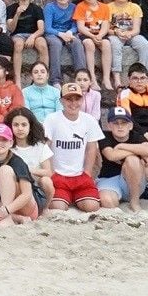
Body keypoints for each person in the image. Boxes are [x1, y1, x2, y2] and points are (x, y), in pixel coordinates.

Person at [42, 83, 103, 212]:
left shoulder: (89, 120)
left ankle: (76, 196)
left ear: (82, 99)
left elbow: (92, 148)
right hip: (58, 174)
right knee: (58, 207)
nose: (73, 103)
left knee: (92, 206)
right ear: (61, 101)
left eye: (77, 99)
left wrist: (87, 173)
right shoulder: (52, 119)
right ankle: (66, 196)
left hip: (80, 175)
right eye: (69, 99)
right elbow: (45, 148)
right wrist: (52, 173)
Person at [0, 123, 43, 224]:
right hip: (3, 205)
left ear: (11, 143)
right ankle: (16, 218)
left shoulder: (17, 162)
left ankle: (8, 217)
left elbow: (27, 194)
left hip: (26, 207)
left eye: (4, 139)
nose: (0, 143)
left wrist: (7, 210)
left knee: (4, 170)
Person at [97, 106, 148, 212]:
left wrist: (121, 147)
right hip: (109, 179)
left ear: (130, 125)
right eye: (116, 123)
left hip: (133, 182)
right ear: (109, 125)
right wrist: (136, 151)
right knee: (108, 202)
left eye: (124, 123)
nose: (120, 126)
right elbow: (111, 156)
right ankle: (120, 198)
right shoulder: (105, 136)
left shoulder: (136, 136)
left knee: (132, 160)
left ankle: (134, 202)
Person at [106, 0, 148, 89]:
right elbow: (106, 28)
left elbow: (136, 29)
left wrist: (129, 34)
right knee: (114, 44)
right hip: (114, 34)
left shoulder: (135, 7)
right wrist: (116, 32)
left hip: (131, 34)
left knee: (144, 44)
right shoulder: (107, 7)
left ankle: (145, 77)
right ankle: (117, 79)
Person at [8, 107, 55, 207]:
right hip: (16, 187)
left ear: (30, 126)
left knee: (46, 181)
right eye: (16, 125)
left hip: (37, 189)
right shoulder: (7, 147)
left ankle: (45, 207)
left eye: (24, 125)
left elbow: (48, 172)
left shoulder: (40, 146)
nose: (20, 128)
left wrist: (26, 170)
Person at [43, 0, 85, 86]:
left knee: (77, 43)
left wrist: (70, 32)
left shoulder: (73, 7)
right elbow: (47, 27)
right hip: (54, 34)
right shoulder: (49, 7)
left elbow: (75, 25)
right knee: (56, 44)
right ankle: (55, 80)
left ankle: (81, 76)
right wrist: (60, 34)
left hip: (69, 33)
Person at [74, 0, 113, 91]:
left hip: (100, 33)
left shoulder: (105, 7)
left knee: (106, 44)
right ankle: (92, 78)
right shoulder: (81, 7)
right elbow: (80, 26)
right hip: (86, 34)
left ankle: (106, 78)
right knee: (89, 44)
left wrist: (100, 35)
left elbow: (105, 25)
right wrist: (92, 36)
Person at [117, 62, 148, 134]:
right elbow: (127, 118)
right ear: (129, 79)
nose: (139, 81)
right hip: (133, 131)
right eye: (135, 78)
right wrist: (144, 134)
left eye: (142, 78)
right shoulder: (125, 94)